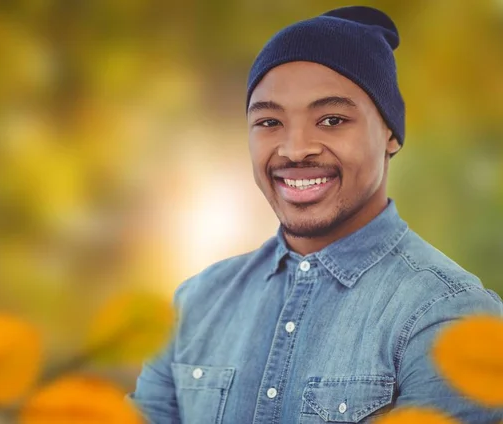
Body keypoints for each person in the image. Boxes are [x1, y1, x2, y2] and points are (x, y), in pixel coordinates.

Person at [129, 6, 503, 423]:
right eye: (269, 121)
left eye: (331, 119)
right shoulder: (194, 304)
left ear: (391, 134)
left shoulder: (450, 316)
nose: (294, 149)